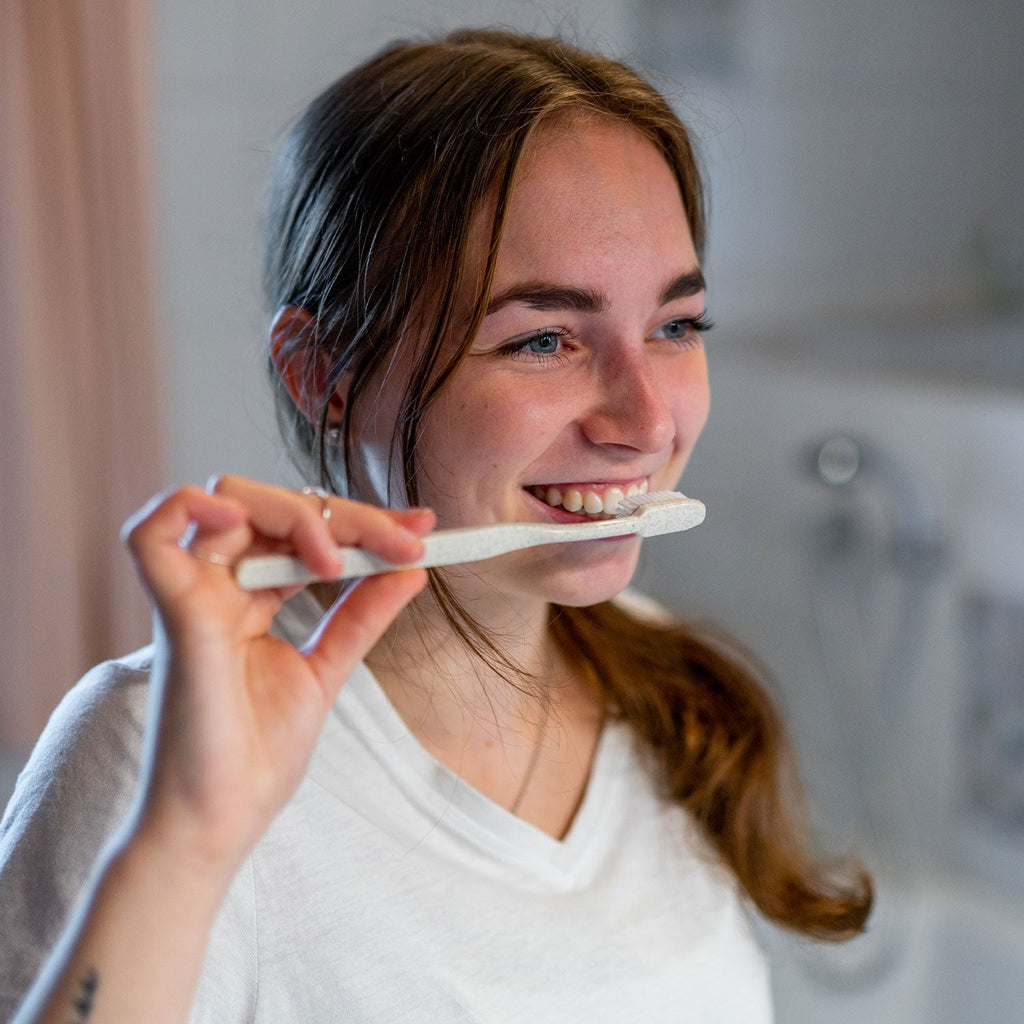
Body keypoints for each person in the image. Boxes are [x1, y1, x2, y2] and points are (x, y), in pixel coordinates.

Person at [0, 28, 871, 1023]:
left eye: (675, 326)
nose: (646, 420)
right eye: (542, 338)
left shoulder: (669, 693)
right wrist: (190, 835)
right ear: (320, 372)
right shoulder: (143, 752)